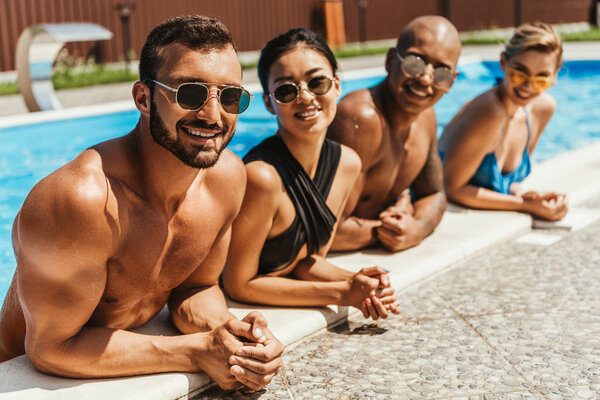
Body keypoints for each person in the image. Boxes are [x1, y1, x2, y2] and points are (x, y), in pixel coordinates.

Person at [0, 15, 283, 391]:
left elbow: (194, 289)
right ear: (143, 98)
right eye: (190, 93)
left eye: (230, 97)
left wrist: (232, 337)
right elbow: (50, 348)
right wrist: (195, 350)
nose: (213, 116)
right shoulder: (80, 201)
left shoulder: (227, 179)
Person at [223, 28, 399, 320]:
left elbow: (307, 261)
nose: (305, 97)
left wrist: (362, 282)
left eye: (317, 82)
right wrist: (342, 293)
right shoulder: (262, 178)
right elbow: (239, 285)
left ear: (337, 86)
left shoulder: (347, 164)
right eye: (286, 90)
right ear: (269, 102)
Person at [327, 16, 461, 252]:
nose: (426, 78)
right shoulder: (360, 117)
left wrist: (417, 227)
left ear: (451, 82)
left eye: (442, 73)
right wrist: (391, 230)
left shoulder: (426, 117)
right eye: (415, 63)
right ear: (390, 60)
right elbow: (325, 230)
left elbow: (435, 194)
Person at [438, 22, 568, 220]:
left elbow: (508, 183)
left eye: (541, 78)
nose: (527, 86)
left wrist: (531, 197)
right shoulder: (490, 112)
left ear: (555, 75)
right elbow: (452, 188)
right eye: (519, 73)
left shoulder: (542, 109)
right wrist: (526, 205)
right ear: (503, 62)